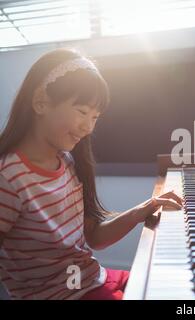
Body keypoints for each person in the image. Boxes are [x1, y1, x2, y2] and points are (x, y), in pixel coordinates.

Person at [0, 48, 182, 300]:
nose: (89, 127)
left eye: (95, 117)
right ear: (41, 102)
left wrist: (142, 210)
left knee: (174, 285)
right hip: (67, 295)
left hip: (91, 279)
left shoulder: (67, 162)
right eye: (82, 112)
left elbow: (94, 237)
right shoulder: (9, 176)